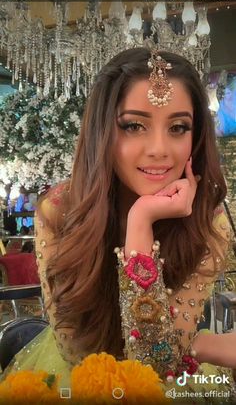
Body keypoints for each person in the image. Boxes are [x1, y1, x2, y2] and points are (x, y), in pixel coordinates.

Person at [2, 47, 236, 401]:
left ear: (195, 135)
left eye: (178, 127)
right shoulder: (60, 209)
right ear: (103, 133)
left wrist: (141, 222)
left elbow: (157, 369)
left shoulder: (207, 219)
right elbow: (78, 356)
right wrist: (203, 344)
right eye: (134, 126)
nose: (159, 149)